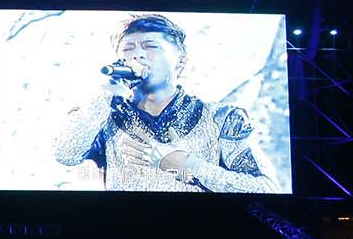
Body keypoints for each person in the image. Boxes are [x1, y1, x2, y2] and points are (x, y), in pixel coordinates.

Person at [53, 13, 276, 192]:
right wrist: (105, 96)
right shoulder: (101, 116)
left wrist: (188, 166)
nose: (137, 55)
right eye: (128, 49)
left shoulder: (221, 117)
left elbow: (266, 189)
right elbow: (66, 154)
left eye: (150, 46)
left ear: (180, 62)